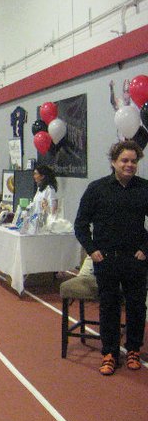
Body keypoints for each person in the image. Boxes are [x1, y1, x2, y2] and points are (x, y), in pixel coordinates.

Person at [74, 140, 148, 375]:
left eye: (133, 161)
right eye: (124, 160)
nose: (129, 165)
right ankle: (110, 353)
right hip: (106, 260)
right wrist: (91, 250)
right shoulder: (96, 189)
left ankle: (133, 349)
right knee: (109, 308)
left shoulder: (144, 188)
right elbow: (81, 224)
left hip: (136, 260)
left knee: (136, 307)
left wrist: (145, 249)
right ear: (114, 162)